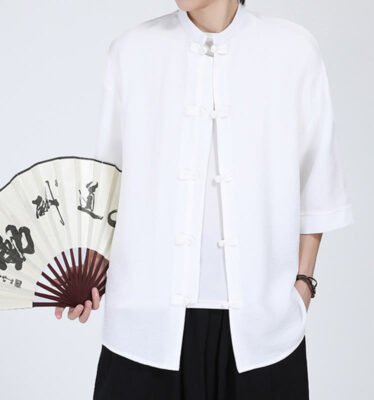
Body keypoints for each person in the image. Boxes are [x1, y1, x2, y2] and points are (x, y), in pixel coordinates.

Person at [55, 1, 354, 399]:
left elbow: (317, 186)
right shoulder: (131, 51)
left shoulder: (293, 50)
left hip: (264, 336)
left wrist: (303, 286)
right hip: (143, 332)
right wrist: (86, 276)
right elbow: (107, 185)